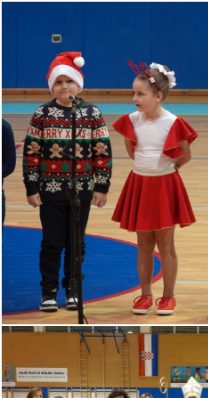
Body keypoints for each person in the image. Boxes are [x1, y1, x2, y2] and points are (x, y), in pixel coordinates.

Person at [23, 51, 112, 311]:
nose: (64, 87)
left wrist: (101, 186)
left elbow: (102, 151)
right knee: (52, 242)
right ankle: (48, 291)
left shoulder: (92, 113)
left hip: (81, 189)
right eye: (59, 82)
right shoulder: (42, 114)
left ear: (78, 84)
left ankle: (73, 289)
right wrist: (31, 187)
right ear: (52, 86)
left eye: (69, 81)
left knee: (76, 242)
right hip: (50, 190)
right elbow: (31, 153)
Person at [111, 62, 197, 314]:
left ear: (158, 96)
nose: (135, 98)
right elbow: (132, 151)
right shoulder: (131, 121)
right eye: (134, 93)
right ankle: (145, 294)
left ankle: (168, 296)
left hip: (164, 187)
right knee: (143, 243)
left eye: (141, 94)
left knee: (165, 244)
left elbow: (185, 155)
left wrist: (166, 170)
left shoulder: (172, 122)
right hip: (140, 184)